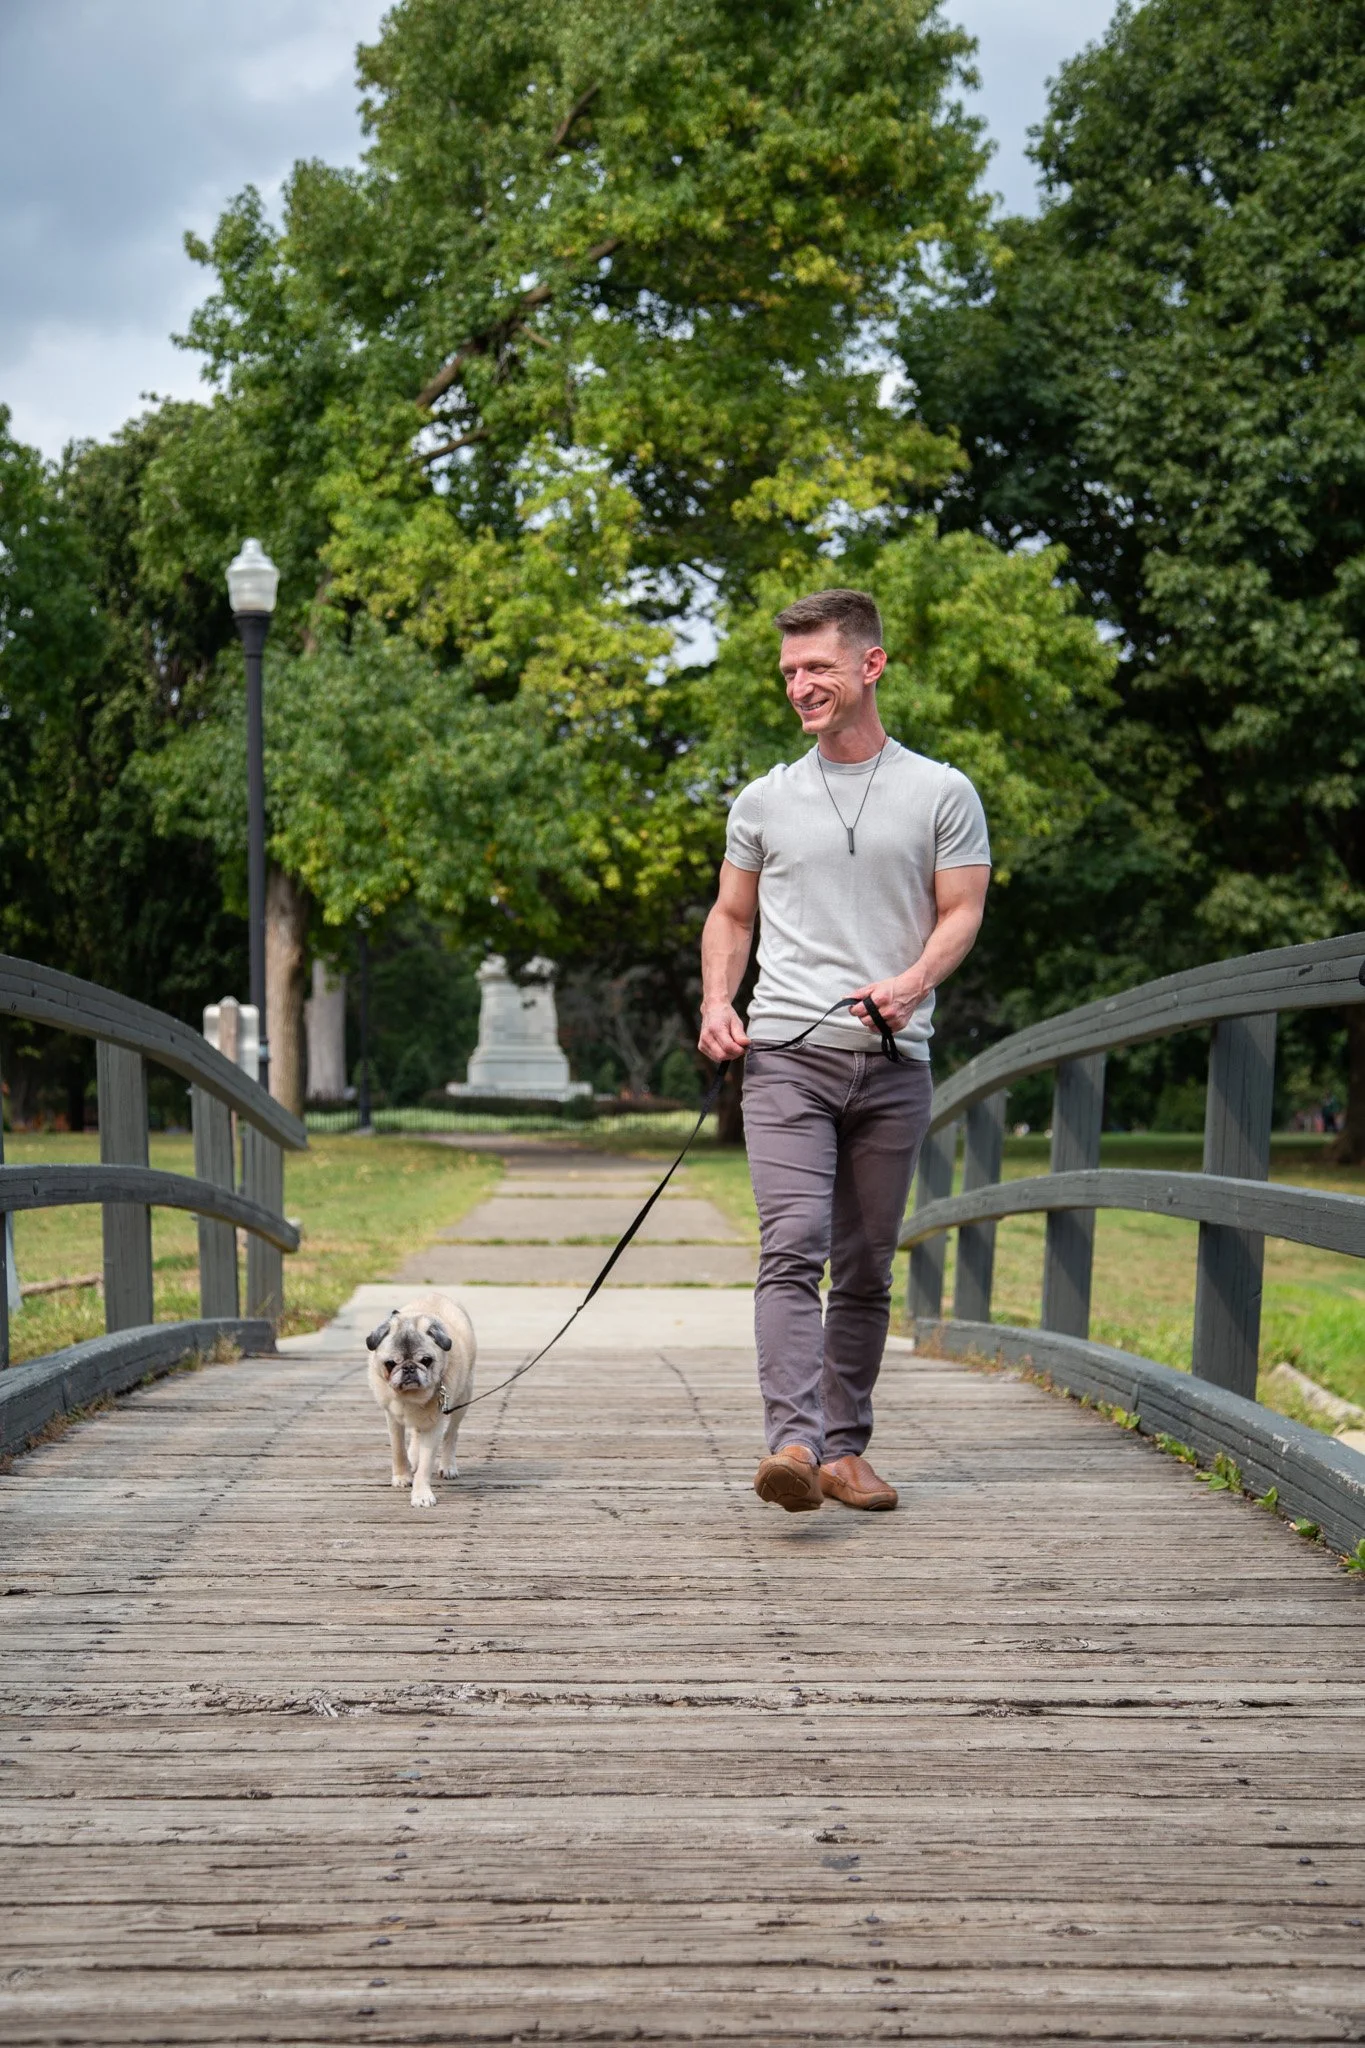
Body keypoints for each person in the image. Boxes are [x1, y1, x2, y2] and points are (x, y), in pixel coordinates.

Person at [698, 587, 991, 1514]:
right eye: (788, 672)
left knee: (866, 1263)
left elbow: (962, 912)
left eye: (817, 666)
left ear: (870, 665)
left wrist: (908, 985)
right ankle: (791, 1439)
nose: (799, 686)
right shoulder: (763, 800)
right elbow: (731, 914)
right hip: (787, 1050)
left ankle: (844, 1450)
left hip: (896, 1061)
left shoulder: (942, 791)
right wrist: (716, 999)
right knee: (791, 1246)